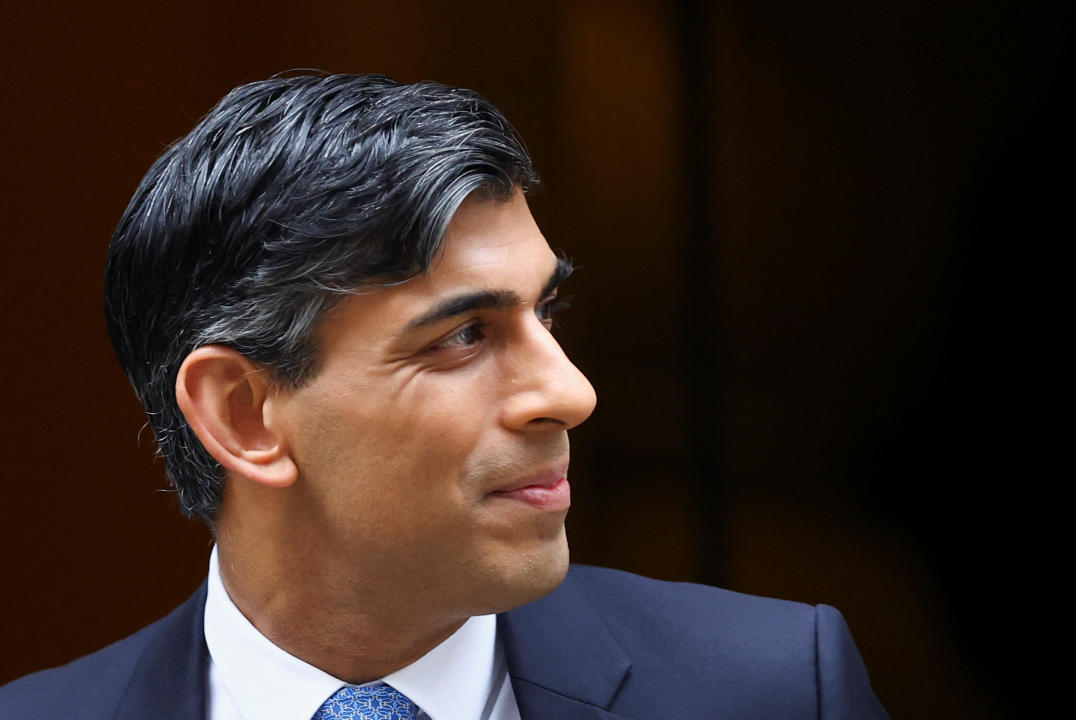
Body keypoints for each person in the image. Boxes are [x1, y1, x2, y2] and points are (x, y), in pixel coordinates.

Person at [0, 73, 888, 719]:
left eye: (547, 311)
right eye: (464, 334)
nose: (569, 393)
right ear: (244, 414)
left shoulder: (776, 688)